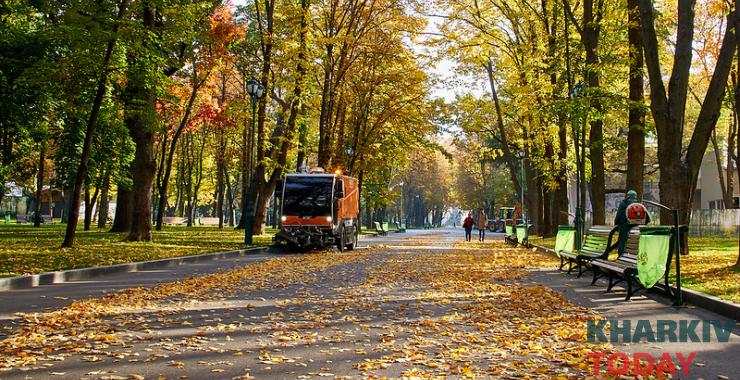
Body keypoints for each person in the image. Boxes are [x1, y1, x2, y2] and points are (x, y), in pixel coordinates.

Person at [613, 190, 649, 255]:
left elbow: (618, 214)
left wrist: (616, 223)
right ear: (635, 196)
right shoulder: (639, 204)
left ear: (627, 196)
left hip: (624, 225)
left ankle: (621, 254)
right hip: (635, 225)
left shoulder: (623, 203)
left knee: (622, 240)